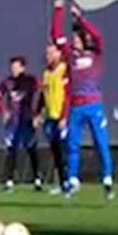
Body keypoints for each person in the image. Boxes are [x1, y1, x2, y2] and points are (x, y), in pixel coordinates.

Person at [51, 0, 114, 200]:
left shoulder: (95, 52)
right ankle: (72, 180)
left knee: (101, 143)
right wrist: (59, 11)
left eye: (78, 38)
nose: (75, 40)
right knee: (72, 145)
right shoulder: (70, 56)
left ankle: (107, 178)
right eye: (75, 38)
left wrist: (81, 19)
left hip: (94, 105)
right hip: (76, 107)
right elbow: (56, 34)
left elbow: (98, 37)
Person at [0, 55, 43, 192]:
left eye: (16, 67)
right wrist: (4, 111)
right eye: (12, 67)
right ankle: (9, 179)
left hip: (27, 119)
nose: (14, 70)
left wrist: (36, 114)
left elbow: (40, 94)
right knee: (11, 149)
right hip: (13, 122)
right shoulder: (7, 82)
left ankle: (37, 178)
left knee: (31, 148)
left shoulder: (30, 81)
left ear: (23, 67)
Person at [36, 42, 70, 194]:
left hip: (62, 117)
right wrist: (38, 113)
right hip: (50, 117)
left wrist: (64, 116)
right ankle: (62, 183)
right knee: (55, 152)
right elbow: (43, 95)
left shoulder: (64, 70)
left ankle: (69, 181)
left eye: (51, 53)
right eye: (47, 53)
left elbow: (68, 96)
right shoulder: (46, 73)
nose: (48, 56)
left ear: (59, 53)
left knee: (64, 151)